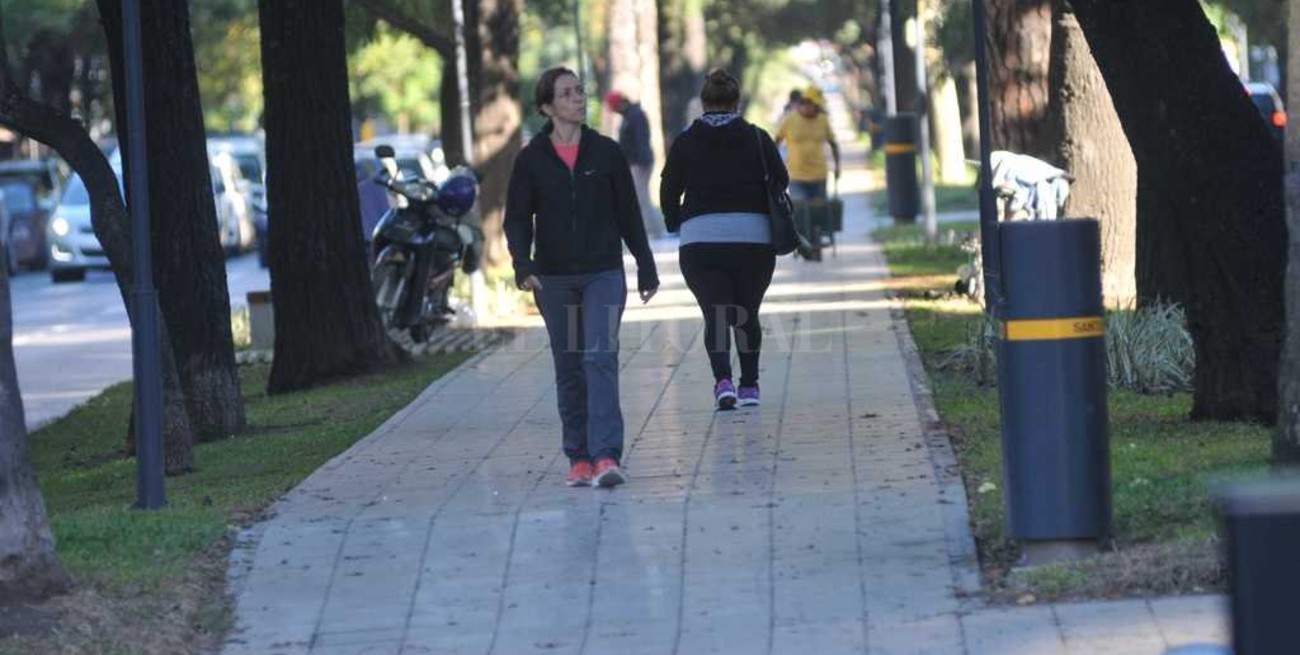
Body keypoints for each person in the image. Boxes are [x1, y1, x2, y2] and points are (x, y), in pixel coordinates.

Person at [505, 67, 660, 488]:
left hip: (603, 273)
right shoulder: (531, 159)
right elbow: (517, 218)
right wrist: (523, 264)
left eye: (580, 91)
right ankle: (578, 457)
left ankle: (607, 455)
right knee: (570, 365)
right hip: (553, 278)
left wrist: (646, 265)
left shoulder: (606, 153)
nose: (578, 98)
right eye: (567, 93)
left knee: (600, 357)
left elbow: (629, 213)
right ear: (546, 107)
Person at [660, 69, 786, 410]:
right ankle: (750, 386)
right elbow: (781, 179)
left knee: (715, 313)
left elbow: (669, 187)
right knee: (747, 312)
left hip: (701, 241)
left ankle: (723, 382)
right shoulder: (757, 138)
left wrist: (676, 222)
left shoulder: (686, 141)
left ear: (703, 102)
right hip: (753, 240)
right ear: (737, 101)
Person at [605, 91, 663, 238]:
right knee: (639, 196)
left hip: (640, 163)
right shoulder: (629, 116)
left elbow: (641, 140)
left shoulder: (635, 115)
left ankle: (652, 231)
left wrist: (641, 160)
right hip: (634, 162)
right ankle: (650, 229)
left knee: (641, 197)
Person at [774, 85, 840, 200]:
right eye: (815, 105)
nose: (818, 108)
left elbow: (833, 144)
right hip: (796, 177)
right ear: (805, 103)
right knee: (800, 213)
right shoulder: (789, 120)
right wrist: (774, 167)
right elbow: (775, 143)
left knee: (817, 214)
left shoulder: (823, 120)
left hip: (819, 176)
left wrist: (837, 167)